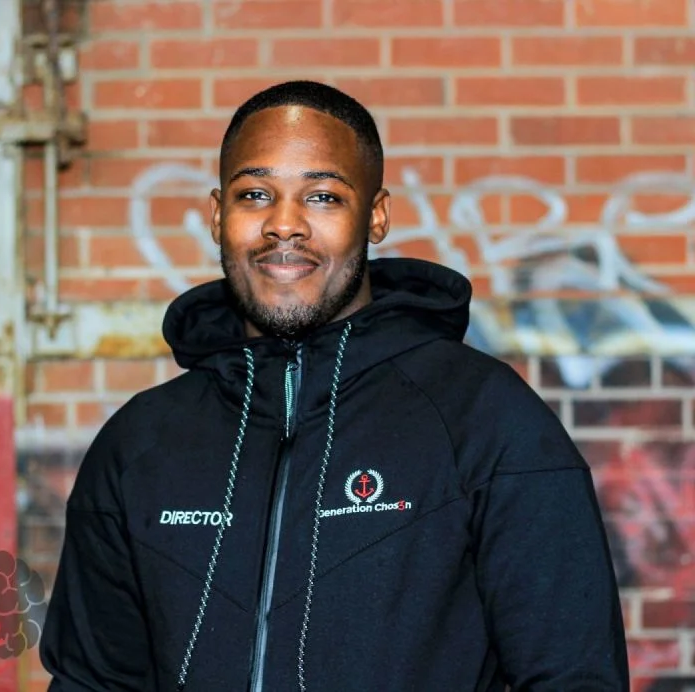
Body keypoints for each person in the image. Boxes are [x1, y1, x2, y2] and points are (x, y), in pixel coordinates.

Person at [39, 80, 629, 691]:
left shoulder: (483, 418)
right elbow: (92, 683)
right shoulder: (141, 443)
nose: (283, 224)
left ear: (376, 216)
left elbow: (572, 677)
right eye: (255, 194)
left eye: (322, 196)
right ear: (217, 216)